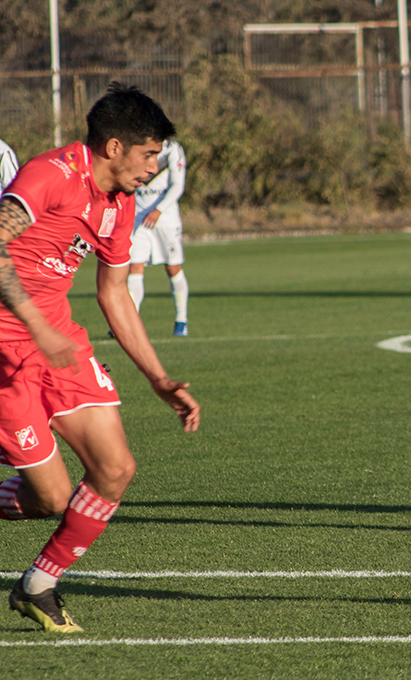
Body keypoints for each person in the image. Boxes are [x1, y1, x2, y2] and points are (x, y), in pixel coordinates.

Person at [0, 83, 200, 633]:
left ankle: (38, 586)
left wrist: (159, 379)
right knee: (50, 499)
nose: (155, 167)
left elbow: (114, 294)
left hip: (58, 343)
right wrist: (37, 326)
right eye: (149, 154)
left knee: (115, 470)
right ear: (113, 147)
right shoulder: (51, 175)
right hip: (5, 348)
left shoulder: (120, 202)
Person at [128, 138, 189, 337]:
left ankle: (181, 320)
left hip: (165, 219)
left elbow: (177, 186)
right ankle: (131, 321)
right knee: (134, 266)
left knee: (172, 268)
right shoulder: (134, 145)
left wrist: (159, 210)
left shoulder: (172, 149)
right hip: (137, 218)